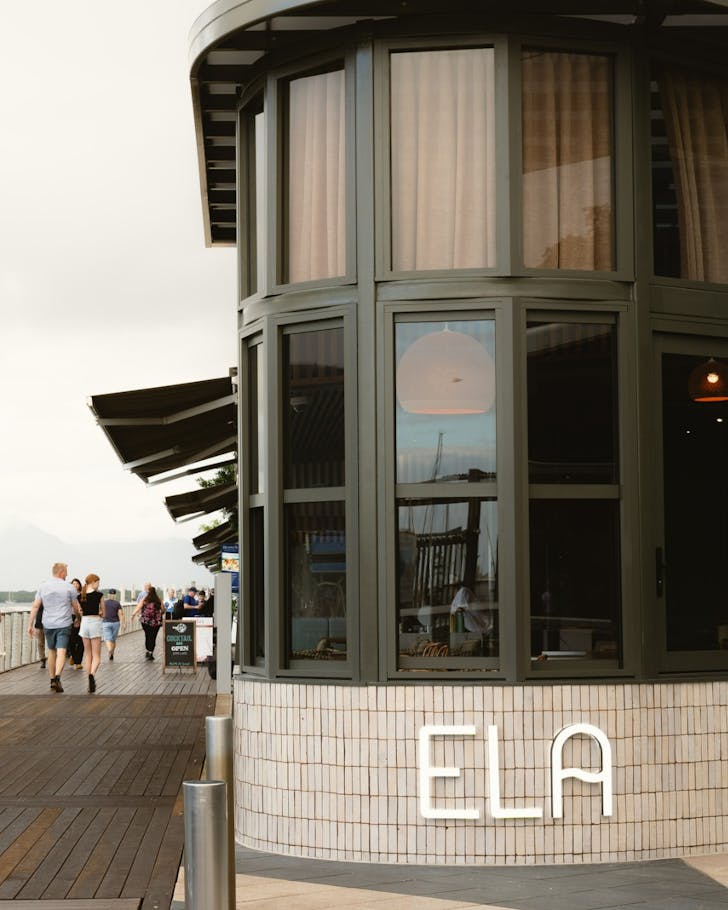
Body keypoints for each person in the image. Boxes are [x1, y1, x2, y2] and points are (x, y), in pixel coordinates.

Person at [27, 562, 81, 693]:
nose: (67, 574)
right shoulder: (69, 587)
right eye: (66, 572)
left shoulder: (42, 587)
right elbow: (76, 606)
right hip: (63, 624)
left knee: (51, 651)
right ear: (61, 572)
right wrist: (79, 618)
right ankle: (57, 677)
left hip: (48, 624)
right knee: (61, 651)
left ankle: (51, 680)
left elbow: (35, 606)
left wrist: (30, 624)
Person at [79, 573, 104, 692]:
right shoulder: (99, 595)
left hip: (84, 624)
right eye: (98, 582)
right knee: (97, 656)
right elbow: (103, 613)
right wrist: (99, 613)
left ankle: (89, 685)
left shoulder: (80, 596)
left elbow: (80, 611)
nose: (99, 585)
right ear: (93, 582)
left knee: (88, 654)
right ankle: (92, 675)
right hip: (95, 623)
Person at [131, 585, 163, 660]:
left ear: (148, 592)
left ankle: (148, 650)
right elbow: (163, 609)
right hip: (156, 622)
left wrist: (132, 615)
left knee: (147, 635)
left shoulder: (145, 599)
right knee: (153, 637)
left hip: (146, 621)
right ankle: (151, 652)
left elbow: (138, 607)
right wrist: (161, 614)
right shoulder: (159, 600)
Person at [102, 588, 125, 660]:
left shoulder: (104, 603)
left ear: (108, 595)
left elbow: (100, 612)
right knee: (113, 640)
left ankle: (110, 650)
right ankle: (112, 653)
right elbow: (121, 614)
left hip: (106, 622)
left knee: (107, 639)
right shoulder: (117, 603)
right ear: (115, 595)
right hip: (116, 623)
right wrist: (123, 624)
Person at [67, 577, 85, 670]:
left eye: (77, 583)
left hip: (82, 617)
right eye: (73, 584)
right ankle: (73, 657)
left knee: (81, 640)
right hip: (70, 617)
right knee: (71, 640)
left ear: (79, 585)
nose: (75, 585)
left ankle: (78, 662)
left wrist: (79, 618)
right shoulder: (68, 595)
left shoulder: (82, 595)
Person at [34, 601, 46, 669]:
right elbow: (34, 609)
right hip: (39, 624)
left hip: (50, 624)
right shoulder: (39, 598)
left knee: (52, 643)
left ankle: (55, 658)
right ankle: (42, 660)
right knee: (40, 643)